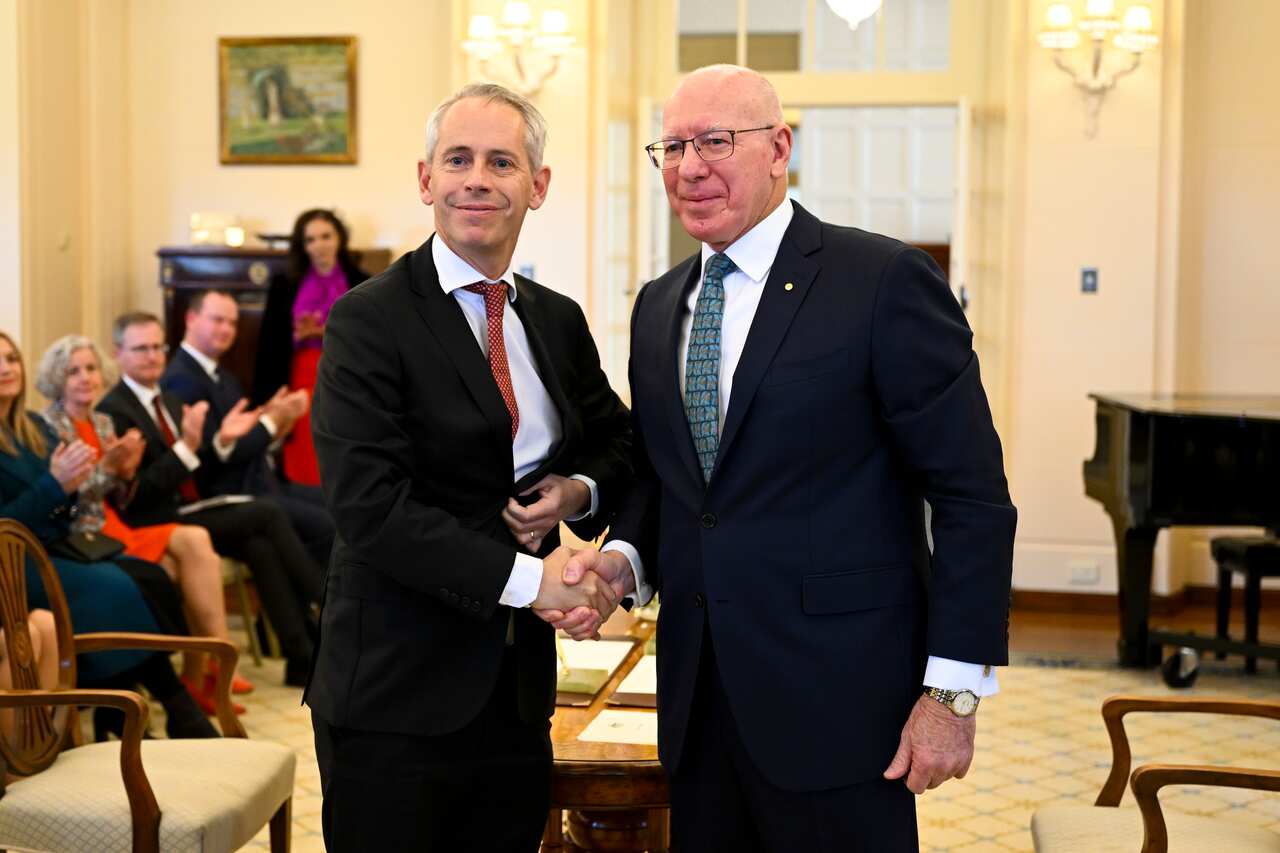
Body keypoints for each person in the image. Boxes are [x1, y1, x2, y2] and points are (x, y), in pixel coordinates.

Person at [547, 65, 1017, 851]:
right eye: (673, 146)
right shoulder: (659, 305)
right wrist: (623, 560)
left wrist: (953, 694)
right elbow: (681, 484)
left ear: (779, 149)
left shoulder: (882, 281)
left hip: (840, 706)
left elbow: (972, 497)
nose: (690, 166)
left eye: (716, 142)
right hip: (697, 708)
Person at [306, 82, 632, 852]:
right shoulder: (367, 319)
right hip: (393, 692)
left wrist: (575, 491)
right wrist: (535, 583)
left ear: (537, 186)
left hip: (514, 694)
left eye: (501, 161)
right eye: (457, 159)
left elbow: (618, 442)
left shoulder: (555, 318)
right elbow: (369, 509)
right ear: (426, 180)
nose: (477, 178)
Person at [0, 330, 215, 740]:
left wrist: (92, 481)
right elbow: (8, 524)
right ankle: (166, 705)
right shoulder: (49, 423)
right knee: (115, 587)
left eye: (11, 359)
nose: (6, 369)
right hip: (13, 565)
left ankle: (128, 708)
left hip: (53, 545)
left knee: (138, 577)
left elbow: (68, 510)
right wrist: (57, 487)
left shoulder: (29, 428)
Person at [98, 311, 325, 687]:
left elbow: (195, 472)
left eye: (157, 347)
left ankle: (301, 656)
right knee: (267, 512)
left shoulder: (167, 400)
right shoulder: (114, 409)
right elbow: (136, 497)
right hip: (154, 521)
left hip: (187, 508)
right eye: (141, 349)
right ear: (117, 352)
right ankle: (330, 608)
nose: (153, 356)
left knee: (259, 544)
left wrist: (220, 440)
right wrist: (189, 447)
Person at [35, 334, 251, 713]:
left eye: (90, 369)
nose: (85, 378)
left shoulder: (102, 421)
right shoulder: (49, 425)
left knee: (197, 541)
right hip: (84, 534)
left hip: (116, 522)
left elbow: (121, 495)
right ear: (57, 379)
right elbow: (67, 497)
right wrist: (110, 470)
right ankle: (198, 675)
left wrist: (125, 473)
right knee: (173, 569)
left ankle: (211, 667)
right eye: (73, 372)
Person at [161, 289, 335, 570]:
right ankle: (321, 605)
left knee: (338, 499)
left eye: (232, 323)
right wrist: (270, 422)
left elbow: (245, 439)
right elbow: (217, 455)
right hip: (232, 491)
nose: (226, 329)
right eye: (217, 320)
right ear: (191, 319)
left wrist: (278, 426)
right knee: (328, 525)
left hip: (261, 480)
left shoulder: (224, 376)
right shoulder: (182, 379)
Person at [254, 209, 369, 486]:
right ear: (302, 246)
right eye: (310, 239)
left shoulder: (362, 280)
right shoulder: (285, 283)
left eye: (325, 236)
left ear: (339, 238)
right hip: (302, 371)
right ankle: (307, 497)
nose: (319, 245)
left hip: (347, 371)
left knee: (344, 438)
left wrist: (322, 330)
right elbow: (270, 342)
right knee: (306, 440)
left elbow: (370, 336)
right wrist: (296, 334)